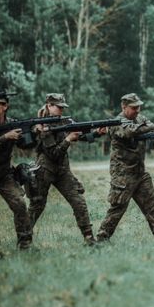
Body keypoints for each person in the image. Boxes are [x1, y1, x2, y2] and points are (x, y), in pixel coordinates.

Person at [96, 93, 154, 242]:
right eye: (134, 107)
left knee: (152, 207)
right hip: (123, 173)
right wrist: (153, 126)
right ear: (124, 107)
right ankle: (102, 239)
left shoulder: (141, 119)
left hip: (140, 172)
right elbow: (130, 131)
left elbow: (150, 130)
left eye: (139, 107)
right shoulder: (116, 122)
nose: (138, 110)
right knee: (117, 208)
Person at [28, 93, 97, 245]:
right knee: (37, 205)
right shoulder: (42, 126)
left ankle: (89, 239)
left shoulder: (65, 121)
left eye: (63, 107)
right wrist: (68, 139)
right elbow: (54, 153)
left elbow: (80, 134)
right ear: (49, 106)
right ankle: (24, 240)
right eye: (58, 107)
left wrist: (96, 133)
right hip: (45, 169)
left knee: (78, 201)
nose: (61, 110)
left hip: (62, 170)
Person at [0, 94, 32, 249]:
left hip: (4, 175)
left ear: (5, 107)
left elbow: (26, 146)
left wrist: (33, 133)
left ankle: (25, 245)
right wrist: (6, 137)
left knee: (20, 204)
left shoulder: (12, 124)